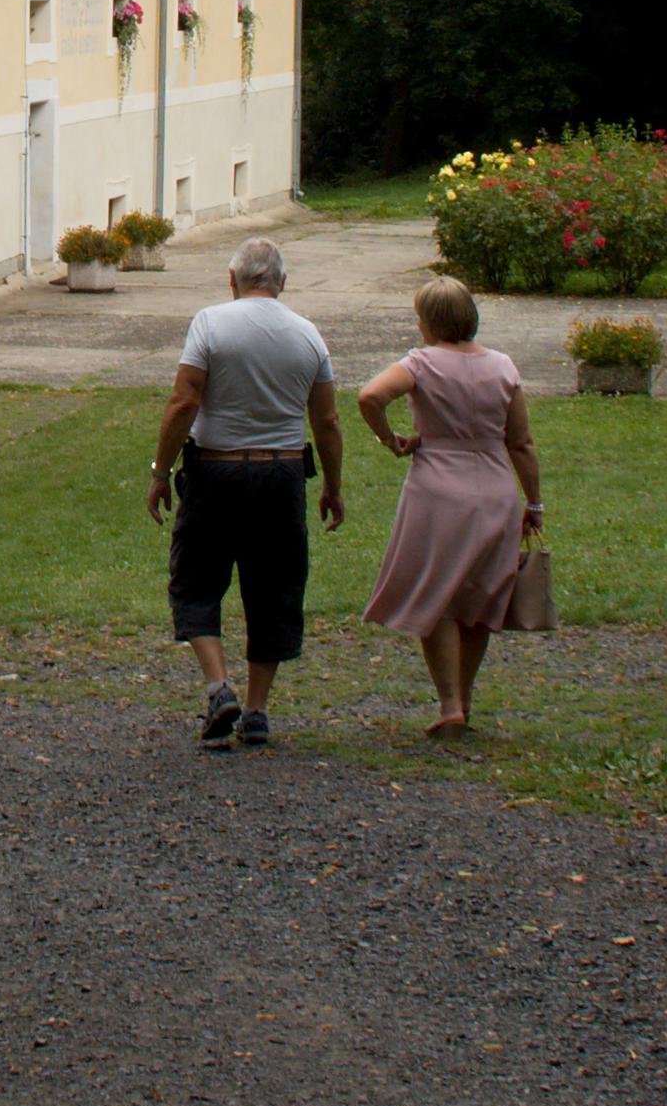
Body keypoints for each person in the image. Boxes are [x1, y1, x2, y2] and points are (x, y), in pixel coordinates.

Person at [146, 235, 344, 750]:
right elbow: (325, 420)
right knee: (274, 586)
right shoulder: (309, 336)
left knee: (196, 580)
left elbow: (183, 401)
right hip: (281, 474)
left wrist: (160, 470)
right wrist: (333, 487)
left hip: (216, 471)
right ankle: (257, 708)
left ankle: (218, 687)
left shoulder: (210, 323)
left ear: (232, 280)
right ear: (282, 283)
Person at [354, 278, 541, 739]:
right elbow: (520, 442)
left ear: (428, 322)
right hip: (495, 487)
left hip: (437, 490)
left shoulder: (421, 362)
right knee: (480, 597)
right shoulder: (503, 367)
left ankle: (449, 703)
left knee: (434, 595)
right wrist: (534, 500)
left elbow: (369, 396)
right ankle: (467, 697)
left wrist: (389, 437)